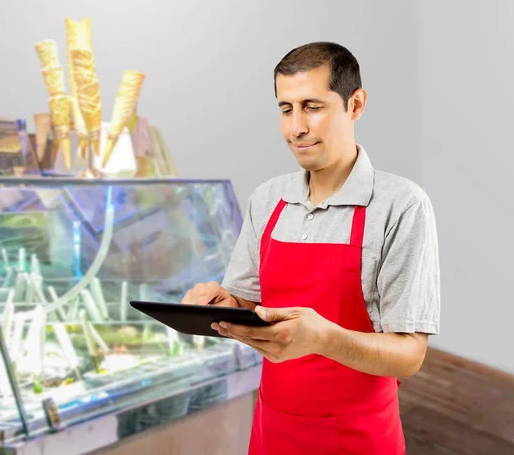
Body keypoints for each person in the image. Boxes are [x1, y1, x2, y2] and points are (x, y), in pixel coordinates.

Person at [182, 41, 441, 455]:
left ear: (355, 105)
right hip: (274, 428)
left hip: (356, 436)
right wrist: (221, 305)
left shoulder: (400, 205)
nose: (295, 128)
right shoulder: (269, 199)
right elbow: (250, 305)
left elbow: (409, 355)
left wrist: (326, 340)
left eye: (312, 107)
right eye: (286, 109)